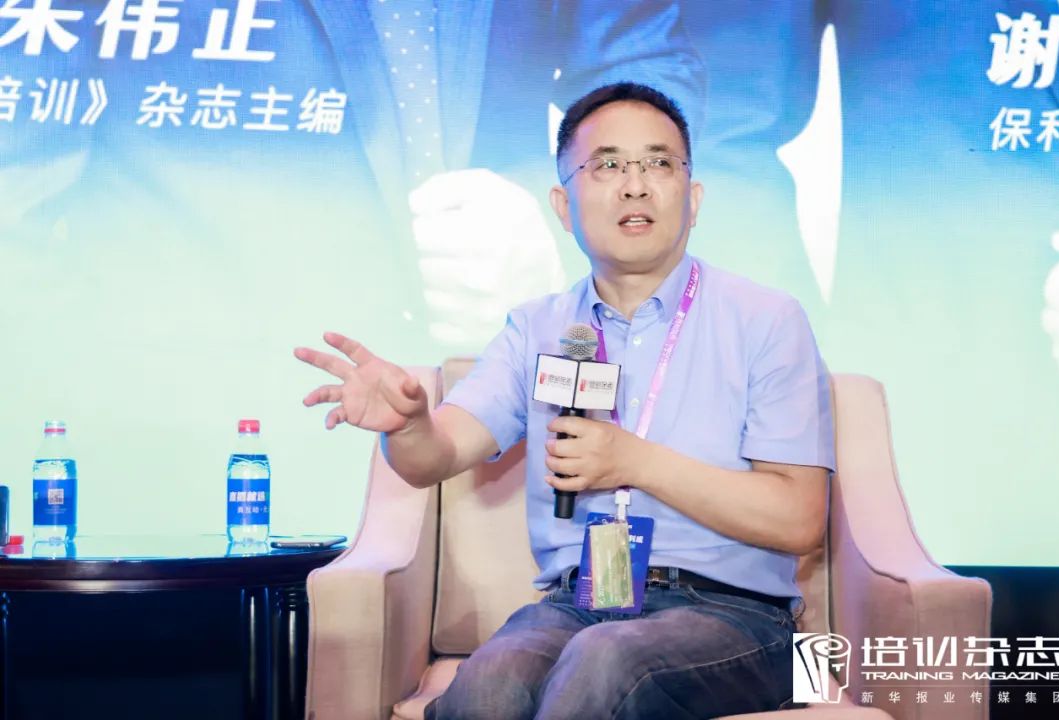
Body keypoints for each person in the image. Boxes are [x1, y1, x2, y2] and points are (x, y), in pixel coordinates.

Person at [295, 82, 834, 719]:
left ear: (692, 198)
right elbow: (434, 455)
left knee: (606, 660)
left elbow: (800, 520)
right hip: (580, 603)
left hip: (746, 617)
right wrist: (409, 426)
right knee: (492, 680)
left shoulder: (767, 319)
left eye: (658, 163)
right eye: (607, 165)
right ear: (562, 204)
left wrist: (633, 462)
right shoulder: (538, 329)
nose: (635, 186)